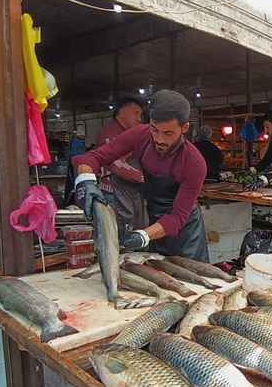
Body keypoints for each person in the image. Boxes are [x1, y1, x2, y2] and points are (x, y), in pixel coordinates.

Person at [73, 90, 209, 262]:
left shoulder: (194, 163)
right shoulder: (140, 135)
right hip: (155, 223)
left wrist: (141, 236)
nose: (159, 139)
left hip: (186, 234)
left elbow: (177, 217)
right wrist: (86, 181)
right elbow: (94, 157)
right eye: (155, 129)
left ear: (184, 128)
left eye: (168, 133)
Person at [95, 98, 146, 230]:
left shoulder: (131, 133)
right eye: (136, 113)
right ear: (122, 112)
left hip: (131, 192)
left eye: (140, 114)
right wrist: (144, 177)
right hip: (113, 193)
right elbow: (115, 164)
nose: (139, 119)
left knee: (134, 230)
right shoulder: (109, 131)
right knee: (119, 233)